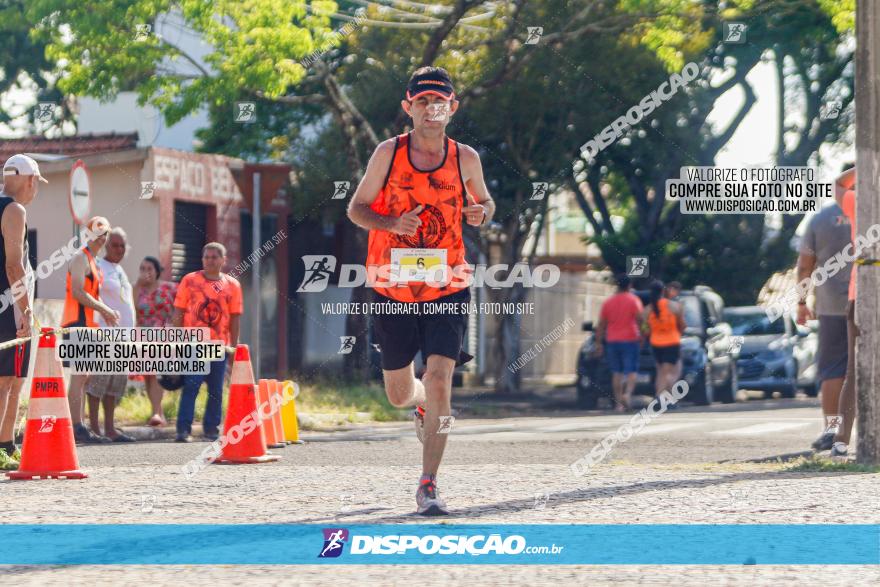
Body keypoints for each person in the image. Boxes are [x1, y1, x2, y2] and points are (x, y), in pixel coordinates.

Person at [347, 66, 495, 515]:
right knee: (398, 392)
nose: (432, 109)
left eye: (441, 102)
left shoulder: (464, 158)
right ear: (407, 108)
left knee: (440, 378)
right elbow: (356, 209)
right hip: (392, 286)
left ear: (452, 108)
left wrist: (481, 214)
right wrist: (391, 222)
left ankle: (428, 484)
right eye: (423, 101)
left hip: (447, 283)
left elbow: (486, 201)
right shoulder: (387, 154)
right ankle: (418, 406)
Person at [172, 242, 242, 443]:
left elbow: (235, 317)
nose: (210, 260)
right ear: (202, 259)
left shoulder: (233, 286)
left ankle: (211, 428)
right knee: (191, 385)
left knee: (216, 389)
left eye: (214, 257)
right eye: (206, 257)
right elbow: (179, 311)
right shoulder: (190, 280)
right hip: (193, 344)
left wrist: (234, 346)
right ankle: (183, 430)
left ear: (223, 260)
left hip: (220, 345)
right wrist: (177, 342)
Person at [796, 198, 852, 451]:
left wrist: (801, 302)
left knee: (833, 370)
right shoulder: (873, 210)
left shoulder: (820, 218)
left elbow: (805, 264)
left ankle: (832, 432)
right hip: (872, 303)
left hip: (832, 307)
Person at [0, 154, 43, 470]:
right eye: (36, 184)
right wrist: (26, 311)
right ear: (29, 180)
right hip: (8, 310)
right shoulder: (14, 209)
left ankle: (7, 446)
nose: (35, 191)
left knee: (13, 382)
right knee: (6, 382)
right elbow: (14, 266)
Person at [62, 215, 119, 444]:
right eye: (97, 233)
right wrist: (104, 309)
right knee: (79, 377)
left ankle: (79, 425)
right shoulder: (80, 258)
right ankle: (75, 426)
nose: (101, 238)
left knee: (83, 376)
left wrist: (102, 312)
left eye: (104, 233)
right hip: (77, 323)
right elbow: (77, 291)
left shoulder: (92, 261)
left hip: (87, 325)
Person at [86, 227, 136, 442]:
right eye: (115, 244)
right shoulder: (98, 266)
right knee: (98, 382)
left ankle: (110, 428)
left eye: (122, 245)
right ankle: (95, 428)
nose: (119, 249)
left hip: (124, 337)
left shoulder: (120, 270)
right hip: (105, 335)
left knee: (115, 385)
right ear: (106, 245)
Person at [831, 166, 857, 458]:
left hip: (859, 292)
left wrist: (865, 162)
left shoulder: (856, 200)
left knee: (854, 371)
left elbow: (838, 183)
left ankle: (841, 439)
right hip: (860, 292)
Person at [133, 255, 177, 426]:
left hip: (163, 336)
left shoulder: (169, 287)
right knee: (148, 376)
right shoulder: (138, 289)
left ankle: (158, 413)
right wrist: (138, 284)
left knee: (158, 374)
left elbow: (180, 306)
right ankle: (156, 413)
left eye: (149, 269)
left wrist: (173, 325)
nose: (146, 272)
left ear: (157, 271)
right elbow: (134, 308)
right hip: (143, 336)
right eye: (142, 269)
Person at [595, 274, 644, 412]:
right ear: (629, 286)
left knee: (616, 372)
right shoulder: (634, 300)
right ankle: (627, 394)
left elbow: (601, 325)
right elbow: (640, 320)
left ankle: (618, 404)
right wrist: (643, 335)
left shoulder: (608, 302)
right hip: (630, 339)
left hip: (612, 340)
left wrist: (598, 343)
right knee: (632, 370)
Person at [642, 280, 685, 399]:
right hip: (672, 342)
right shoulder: (674, 306)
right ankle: (659, 396)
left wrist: (651, 333)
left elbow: (645, 329)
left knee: (661, 372)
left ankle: (667, 398)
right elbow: (682, 325)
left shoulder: (647, 310)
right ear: (663, 291)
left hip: (655, 343)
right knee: (672, 373)